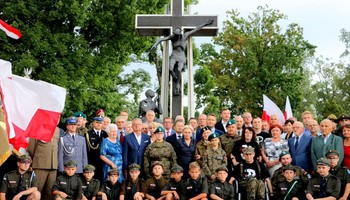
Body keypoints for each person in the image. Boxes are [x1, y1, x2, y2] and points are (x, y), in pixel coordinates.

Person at [150, 19, 214, 95]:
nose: (177, 36)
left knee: (179, 69)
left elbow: (196, 29)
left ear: (180, 33)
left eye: (178, 35)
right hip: (174, 55)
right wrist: (155, 45)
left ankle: (177, 84)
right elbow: (161, 39)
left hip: (181, 56)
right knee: (170, 69)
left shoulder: (185, 35)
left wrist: (205, 23)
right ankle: (174, 77)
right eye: (176, 35)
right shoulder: (172, 37)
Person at [27, 127, 59, 200]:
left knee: (50, 191)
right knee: (37, 190)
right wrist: (36, 158)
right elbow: (31, 148)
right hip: (40, 164)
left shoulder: (57, 130)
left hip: (53, 165)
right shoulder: (38, 127)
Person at [86, 116, 107, 181]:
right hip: (92, 160)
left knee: (102, 179)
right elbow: (86, 149)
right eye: (97, 122)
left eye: (100, 123)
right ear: (93, 123)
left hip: (103, 162)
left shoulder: (105, 134)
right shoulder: (88, 134)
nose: (98, 124)